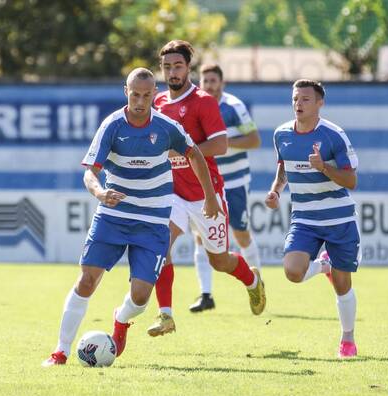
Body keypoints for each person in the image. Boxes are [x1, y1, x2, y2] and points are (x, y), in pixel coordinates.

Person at [43, 67, 222, 366]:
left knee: (140, 297)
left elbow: (195, 155)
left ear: (155, 94)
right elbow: (91, 172)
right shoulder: (112, 126)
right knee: (87, 280)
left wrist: (210, 196)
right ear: (126, 92)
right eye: (135, 94)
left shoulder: (167, 127)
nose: (140, 101)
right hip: (113, 216)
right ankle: (60, 351)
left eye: (146, 95)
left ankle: (121, 318)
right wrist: (100, 193)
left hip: (152, 222)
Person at [148, 40, 266, 338]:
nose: (171, 72)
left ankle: (252, 282)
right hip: (172, 192)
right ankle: (166, 315)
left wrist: (184, 153)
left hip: (205, 193)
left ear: (188, 68)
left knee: (220, 260)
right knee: (159, 246)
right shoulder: (158, 103)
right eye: (166, 67)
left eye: (177, 66)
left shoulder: (203, 101)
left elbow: (220, 144)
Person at [265, 79, 360, 358]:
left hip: (338, 219)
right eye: (295, 99)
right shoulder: (282, 134)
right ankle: (323, 267)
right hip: (304, 218)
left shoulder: (333, 135)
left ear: (320, 103)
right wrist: (275, 191)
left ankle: (347, 339)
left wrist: (324, 167)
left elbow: (351, 180)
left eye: (306, 99)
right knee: (293, 272)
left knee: (343, 285)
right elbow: (283, 170)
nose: (299, 104)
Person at [189, 64, 263, 313]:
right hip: (207, 181)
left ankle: (257, 283)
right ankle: (206, 294)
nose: (209, 85)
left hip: (234, 180)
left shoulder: (233, 107)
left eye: (213, 80)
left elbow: (255, 139)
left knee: (240, 233)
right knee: (200, 235)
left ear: (222, 83)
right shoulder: (196, 106)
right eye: (205, 80)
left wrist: (222, 142)